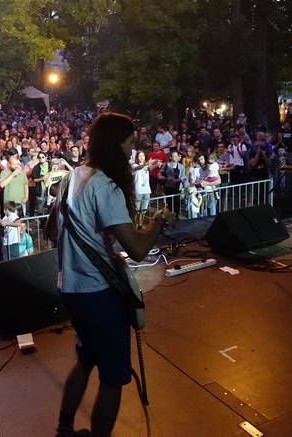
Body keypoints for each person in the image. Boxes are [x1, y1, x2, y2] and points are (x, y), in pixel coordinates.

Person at [54, 112, 174, 437]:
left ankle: (64, 429)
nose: (132, 151)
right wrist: (159, 222)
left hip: (70, 288)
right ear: (115, 144)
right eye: (130, 143)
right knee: (112, 378)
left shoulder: (72, 177)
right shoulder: (105, 186)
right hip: (98, 293)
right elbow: (137, 248)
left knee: (85, 360)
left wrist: (96, 245)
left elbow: (54, 229)